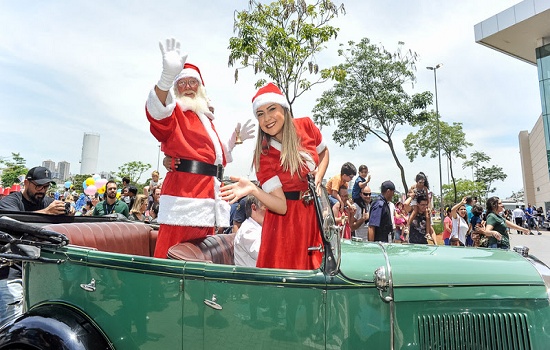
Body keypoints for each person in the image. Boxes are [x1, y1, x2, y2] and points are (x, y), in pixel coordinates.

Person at [146, 38, 255, 258]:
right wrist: (166, 79)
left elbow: (213, 157)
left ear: (201, 87)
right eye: (182, 83)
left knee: (198, 260)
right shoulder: (175, 111)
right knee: (172, 258)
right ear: (175, 89)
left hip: (206, 200)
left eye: (192, 82)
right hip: (184, 200)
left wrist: (234, 140)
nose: (187, 87)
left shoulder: (205, 119)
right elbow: (157, 115)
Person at [221, 82, 329, 270]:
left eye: (272, 109)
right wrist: (254, 189)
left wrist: (318, 178)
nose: (267, 118)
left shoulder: (306, 125)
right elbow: (281, 206)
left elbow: (324, 152)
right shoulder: (263, 155)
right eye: (260, 114)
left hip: (312, 215)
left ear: (284, 109)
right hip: (285, 226)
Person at [0, 166, 74, 327]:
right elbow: (12, 223)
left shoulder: (47, 201)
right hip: (11, 271)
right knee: (9, 326)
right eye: (38, 186)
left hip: (41, 270)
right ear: (26, 183)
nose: (42, 190)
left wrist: (68, 211)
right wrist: (46, 212)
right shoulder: (10, 201)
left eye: (46, 186)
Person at [234, 195, 267, 267]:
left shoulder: (257, 227)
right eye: (265, 208)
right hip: (251, 277)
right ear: (254, 207)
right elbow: (261, 254)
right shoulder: (248, 229)